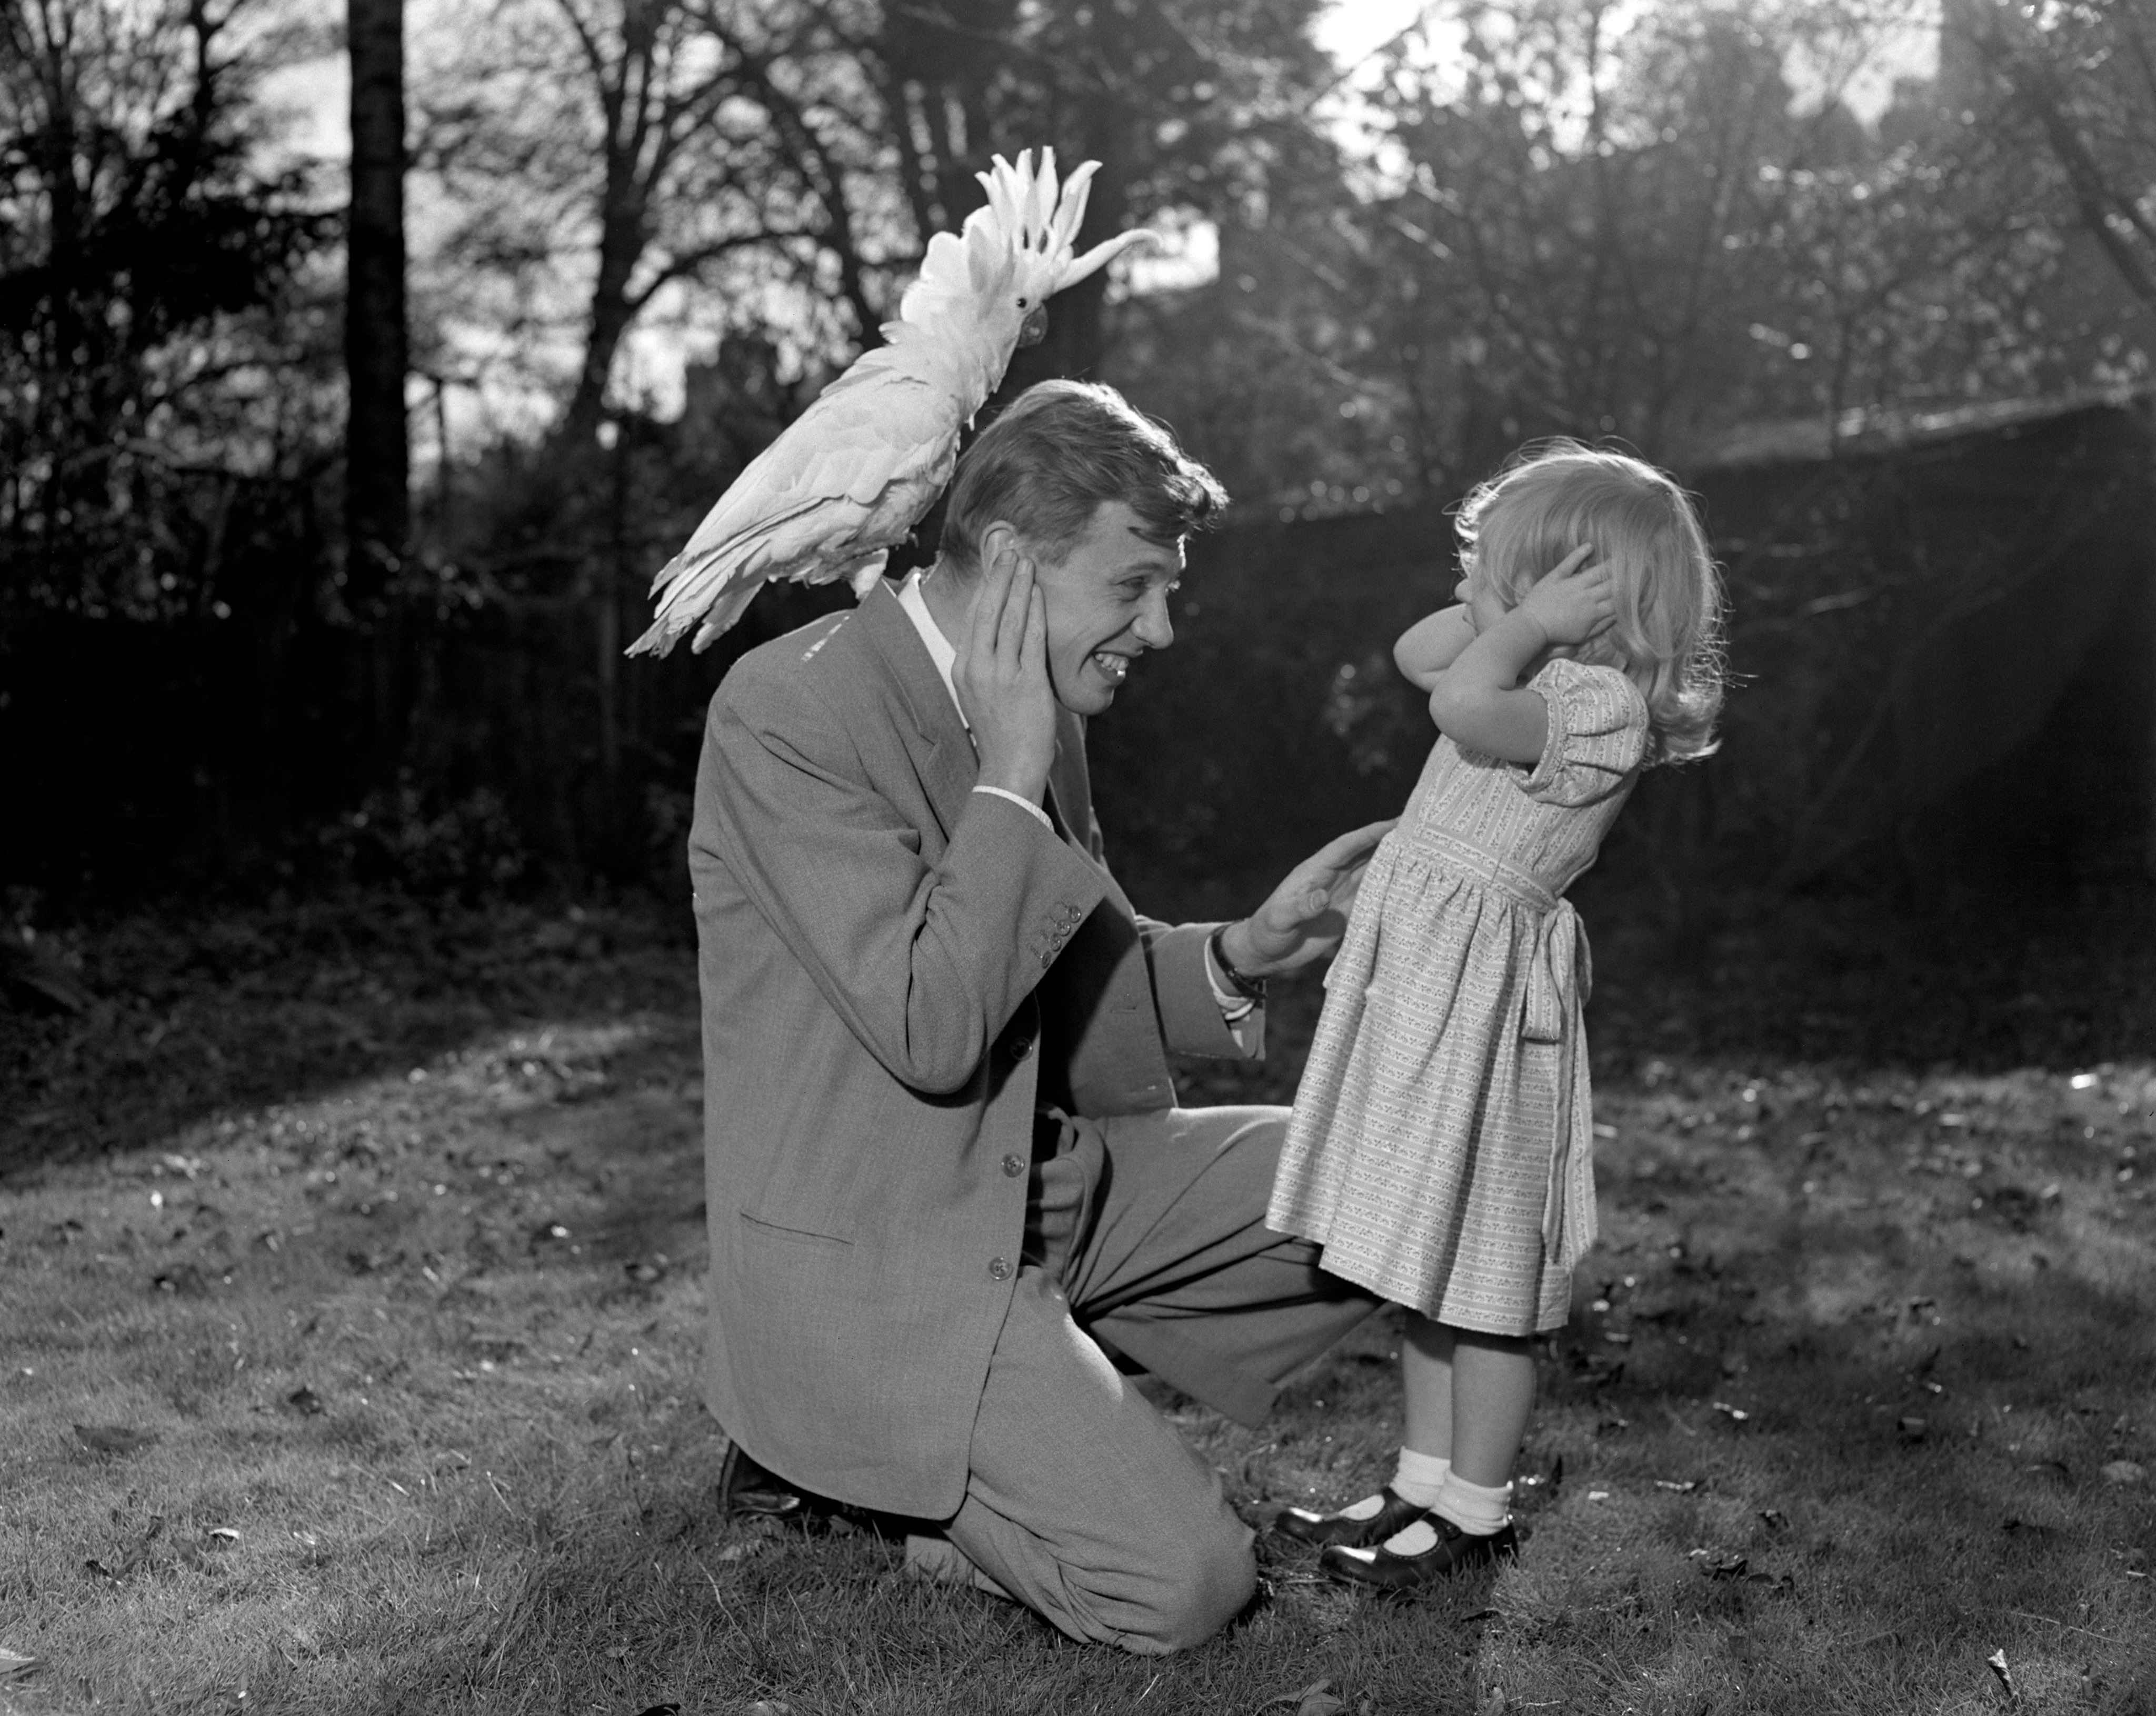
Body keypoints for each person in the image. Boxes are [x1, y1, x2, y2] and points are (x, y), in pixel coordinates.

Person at [687, 378, 1390, 1653]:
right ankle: (862, 1473)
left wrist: (1245, 949)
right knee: (1186, 1587)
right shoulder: (784, 712)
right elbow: (930, 1022)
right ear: (1010, 562)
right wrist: (1009, 778)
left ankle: (1044, 1395)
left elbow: (1066, 973)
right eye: (1133, 585)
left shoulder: (1041, 701)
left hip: (1055, 1193)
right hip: (887, 1255)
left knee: (1400, 1168)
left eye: (1167, 587)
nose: (1162, 628)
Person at [1266, 442, 1726, 1592]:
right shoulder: (1529, 669)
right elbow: (1419, 653)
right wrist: (1499, 601)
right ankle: (1419, 1482)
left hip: (1484, 1009)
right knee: (1416, 1256)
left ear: (1589, 597)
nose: (1485, 597)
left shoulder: (1597, 705)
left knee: (1481, 1277)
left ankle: (1475, 1507)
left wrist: (1516, 623)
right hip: (1430, 987)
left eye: (1512, 574)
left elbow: (1457, 693)